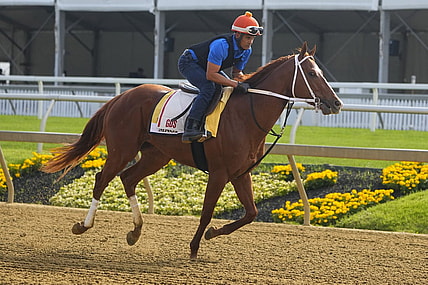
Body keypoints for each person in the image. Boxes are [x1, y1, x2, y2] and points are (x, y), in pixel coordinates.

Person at [178, 11, 263, 143]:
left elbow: (237, 74)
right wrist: (235, 84)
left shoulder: (247, 51)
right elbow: (211, 75)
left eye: (252, 39)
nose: (250, 42)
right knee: (209, 87)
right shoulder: (221, 45)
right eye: (247, 38)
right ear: (238, 34)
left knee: (224, 87)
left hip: (207, 67)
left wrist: (247, 83)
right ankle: (191, 126)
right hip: (189, 62)